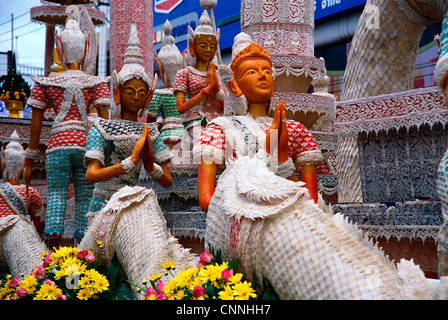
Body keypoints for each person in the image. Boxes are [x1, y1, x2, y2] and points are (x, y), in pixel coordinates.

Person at [192, 33, 324, 212]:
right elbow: (207, 200)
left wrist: (283, 157)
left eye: (267, 71)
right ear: (234, 86)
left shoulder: (295, 129)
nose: (262, 76)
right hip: (243, 220)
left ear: (273, 83)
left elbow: (312, 203)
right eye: (252, 72)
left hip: (292, 221)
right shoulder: (219, 130)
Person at [24, 16, 110, 240]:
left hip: (57, 146)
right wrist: (106, 154)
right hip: (85, 146)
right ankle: (83, 254)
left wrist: (30, 159)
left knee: (56, 196)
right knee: (84, 198)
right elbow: (104, 124)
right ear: (87, 48)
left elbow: (35, 126)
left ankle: (54, 258)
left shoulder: (46, 84)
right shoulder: (97, 84)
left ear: (59, 48)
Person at [84, 22, 173, 221]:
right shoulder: (101, 127)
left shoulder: (150, 130)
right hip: (103, 203)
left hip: (133, 202)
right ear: (117, 93)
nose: (135, 98)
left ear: (148, 98)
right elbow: (91, 175)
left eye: (141, 94)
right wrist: (128, 163)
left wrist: (150, 166)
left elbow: (167, 180)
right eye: (130, 92)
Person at [173, 10, 226, 149]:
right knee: (205, 146)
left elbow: (226, 106)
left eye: (212, 46)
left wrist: (218, 89)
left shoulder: (219, 73)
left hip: (219, 120)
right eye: (203, 46)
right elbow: (180, 107)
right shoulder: (185, 73)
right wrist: (208, 90)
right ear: (193, 46)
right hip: (195, 120)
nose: (208, 49)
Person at [146, 20, 185, 150]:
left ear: (160, 69)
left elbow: (150, 127)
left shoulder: (159, 94)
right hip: (189, 135)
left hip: (167, 138)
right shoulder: (188, 94)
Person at [1, 131, 43, 231]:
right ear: (24, 163)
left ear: (3, 162)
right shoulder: (30, 192)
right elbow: (36, 220)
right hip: (20, 233)